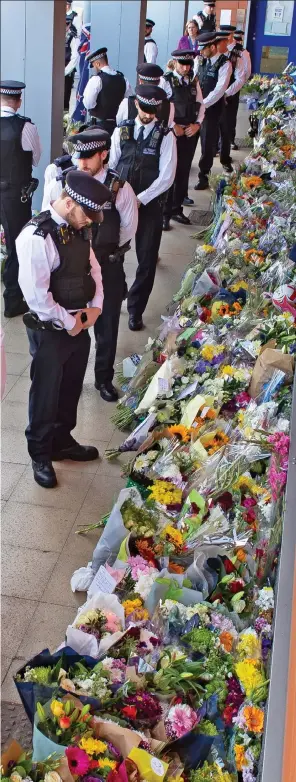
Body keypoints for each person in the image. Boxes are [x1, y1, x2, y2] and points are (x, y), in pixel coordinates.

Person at [16, 170, 110, 489]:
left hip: (79, 323)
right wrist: (72, 323)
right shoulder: (36, 237)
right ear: (68, 203)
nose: (91, 222)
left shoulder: (78, 227)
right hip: (51, 329)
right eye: (87, 214)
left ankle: (62, 442)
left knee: (70, 388)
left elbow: (92, 267)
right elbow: (38, 299)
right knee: (46, 393)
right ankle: (41, 453)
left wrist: (95, 307)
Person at [68, 128, 138, 402]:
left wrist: (103, 250)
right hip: (72, 268)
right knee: (72, 323)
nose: (82, 163)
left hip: (107, 265)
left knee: (106, 324)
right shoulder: (68, 180)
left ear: (104, 154)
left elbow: (128, 228)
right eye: (79, 157)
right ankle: (72, 378)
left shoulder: (119, 188)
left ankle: (103, 378)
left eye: (88, 158)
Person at [110, 85, 177, 331]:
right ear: (136, 105)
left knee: (146, 260)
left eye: (152, 110)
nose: (148, 115)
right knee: (113, 254)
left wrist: (140, 199)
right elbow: (112, 165)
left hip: (149, 207)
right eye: (144, 109)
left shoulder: (166, 135)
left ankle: (135, 309)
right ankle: (117, 294)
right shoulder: (122, 130)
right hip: (119, 205)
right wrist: (120, 197)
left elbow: (167, 176)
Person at [0, 80, 41, 318]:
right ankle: (13, 301)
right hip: (15, 196)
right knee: (17, 247)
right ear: (18, 101)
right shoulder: (25, 127)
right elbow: (36, 159)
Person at [162, 50, 205, 229]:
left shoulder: (193, 81)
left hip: (189, 132)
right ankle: (164, 213)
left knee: (183, 172)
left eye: (188, 64)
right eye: (182, 64)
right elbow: (161, 108)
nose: (186, 68)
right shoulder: (166, 81)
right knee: (169, 172)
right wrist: (173, 126)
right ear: (175, 63)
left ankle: (176, 209)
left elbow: (201, 105)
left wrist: (197, 125)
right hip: (173, 133)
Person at [194, 32, 232, 191]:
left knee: (207, 143)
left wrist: (203, 104)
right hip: (195, 108)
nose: (201, 52)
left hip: (211, 109)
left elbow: (220, 89)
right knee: (191, 141)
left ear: (212, 46)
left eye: (203, 49)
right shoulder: (199, 60)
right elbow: (194, 80)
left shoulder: (225, 64)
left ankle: (204, 175)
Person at [83, 47, 132, 134]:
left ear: (97, 64)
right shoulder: (123, 79)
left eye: (93, 65)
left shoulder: (96, 80)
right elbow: (129, 101)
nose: (93, 69)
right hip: (116, 126)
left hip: (98, 126)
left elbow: (89, 104)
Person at [116, 63, 174, 128]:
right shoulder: (169, 106)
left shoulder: (127, 103)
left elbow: (119, 123)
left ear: (140, 81)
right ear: (159, 82)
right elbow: (168, 126)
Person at [218, 25, 246, 157]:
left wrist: (226, 93)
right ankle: (214, 148)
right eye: (223, 35)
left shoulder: (240, 52)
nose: (226, 38)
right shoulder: (215, 50)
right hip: (215, 94)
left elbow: (242, 77)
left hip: (230, 93)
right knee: (214, 123)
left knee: (227, 123)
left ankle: (225, 152)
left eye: (228, 34)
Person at [231, 29, 252, 149]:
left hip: (230, 87)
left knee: (221, 117)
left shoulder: (228, 51)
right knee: (230, 116)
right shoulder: (244, 53)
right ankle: (230, 141)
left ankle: (217, 145)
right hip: (235, 87)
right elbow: (247, 72)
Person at [64, 15, 79, 111]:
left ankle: (63, 124)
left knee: (64, 99)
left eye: (66, 25)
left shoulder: (73, 38)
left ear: (69, 25)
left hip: (66, 73)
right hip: (55, 73)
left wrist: (64, 72)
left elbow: (74, 58)